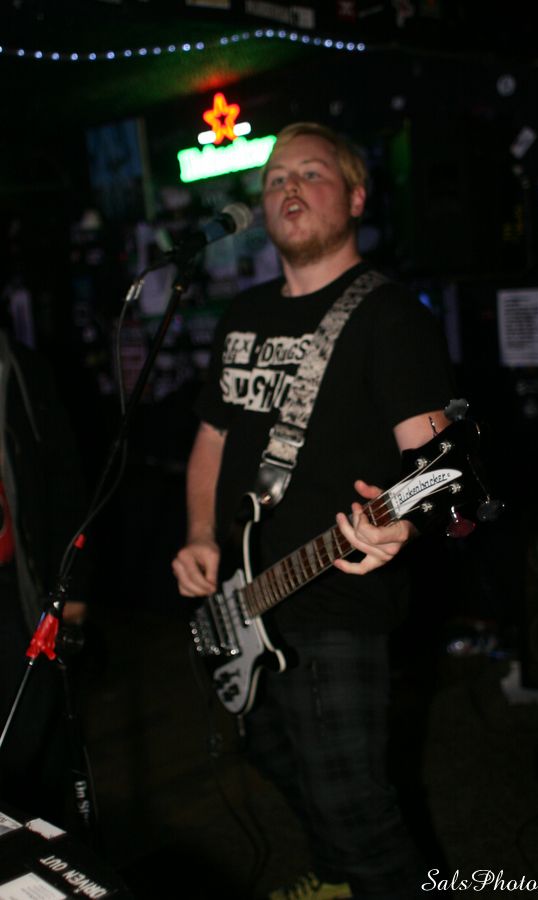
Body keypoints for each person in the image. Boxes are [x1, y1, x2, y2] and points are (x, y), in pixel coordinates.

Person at [172, 122, 457, 900]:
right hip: (249, 593)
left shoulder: (389, 316)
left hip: (335, 599)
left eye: (310, 173)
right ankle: (337, 879)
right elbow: (210, 437)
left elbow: (441, 465)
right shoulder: (241, 314)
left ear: (357, 197)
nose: (288, 187)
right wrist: (199, 535)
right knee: (273, 757)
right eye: (274, 179)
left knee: (355, 808)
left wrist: (404, 520)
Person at [0, 327, 89, 826]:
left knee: (32, 746)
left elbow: (63, 479)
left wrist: (73, 588)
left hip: (17, 589)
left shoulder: (21, 368)